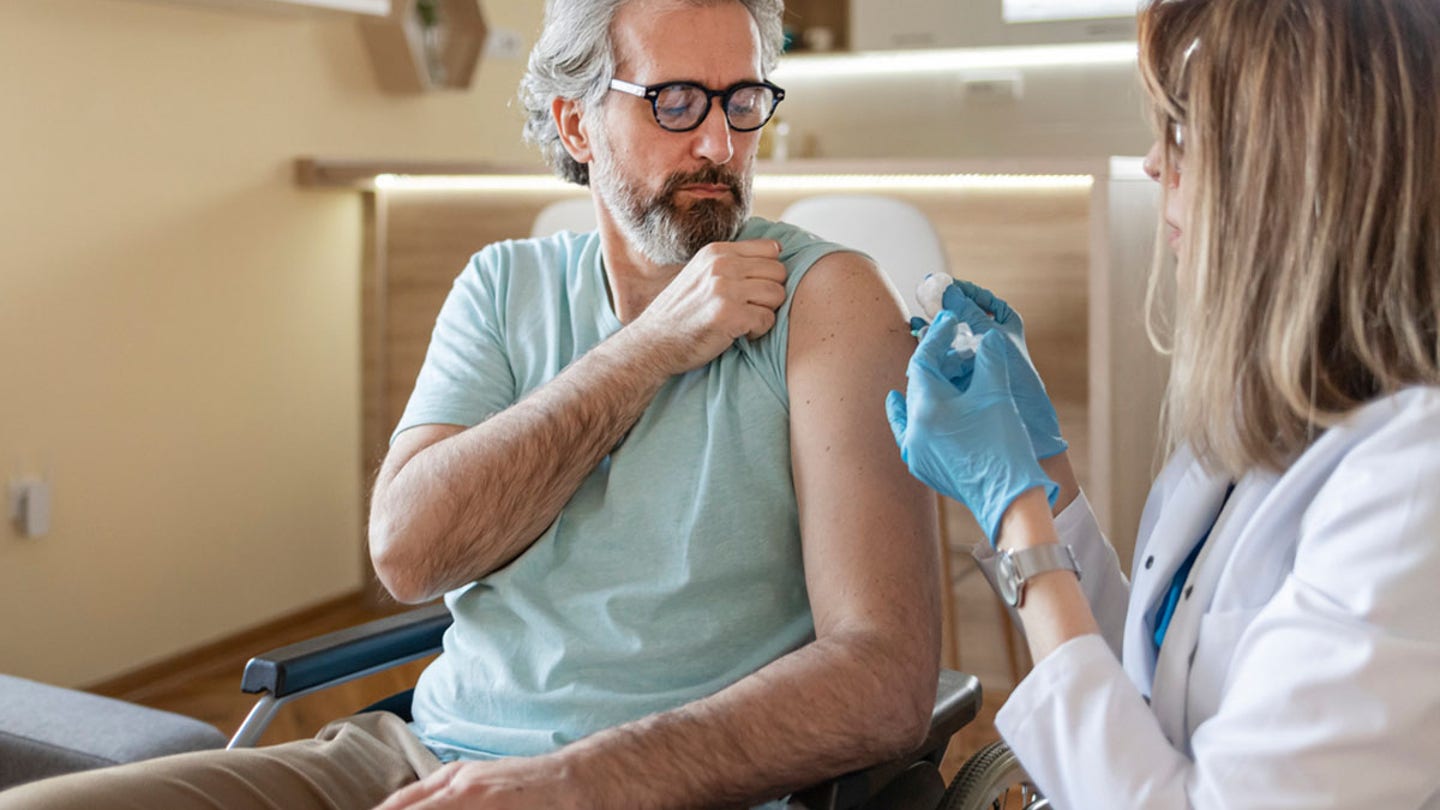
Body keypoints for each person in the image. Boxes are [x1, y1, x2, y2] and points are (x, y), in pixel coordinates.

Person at [0, 1, 940, 808]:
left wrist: (572, 783)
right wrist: (647, 351)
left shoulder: (830, 300)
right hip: (409, 757)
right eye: (676, 101)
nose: (719, 143)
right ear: (576, 125)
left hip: (645, 784)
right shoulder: (503, 285)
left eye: (743, 101)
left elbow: (885, 678)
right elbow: (410, 552)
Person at [886, 0, 1440, 806]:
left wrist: (1016, 519)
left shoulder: (1414, 482)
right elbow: (1144, 690)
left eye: (1182, 130)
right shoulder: (1256, 434)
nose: (1152, 164)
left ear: (1294, 171)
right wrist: (1047, 477)